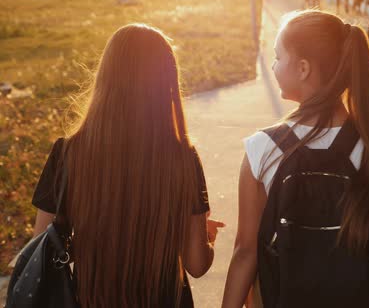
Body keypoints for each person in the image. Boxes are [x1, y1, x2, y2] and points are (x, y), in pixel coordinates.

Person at [30, 24, 224, 308]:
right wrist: (207, 236)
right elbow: (196, 265)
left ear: (105, 77)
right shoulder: (182, 157)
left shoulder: (68, 153)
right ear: (166, 85)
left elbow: (40, 250)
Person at [222, 10, 369, 307]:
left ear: (303, 68)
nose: (273, 65)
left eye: (278, 57)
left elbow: (246, 252)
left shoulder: (263, 149)